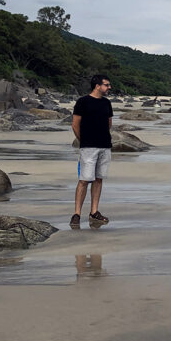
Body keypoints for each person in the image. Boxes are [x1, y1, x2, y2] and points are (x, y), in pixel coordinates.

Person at [70, 74, 114, 228]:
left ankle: (94, 211)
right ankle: (77, 214)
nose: (109, 88)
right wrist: (83, 140)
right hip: (88, 147)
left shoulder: (107, 103)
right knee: (84, 180)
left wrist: (103, 138)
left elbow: (109, 123)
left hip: (104, 146)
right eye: (106, 85)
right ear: (97, 86)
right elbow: (75, 124)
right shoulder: (83, 102)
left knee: (99, 179)